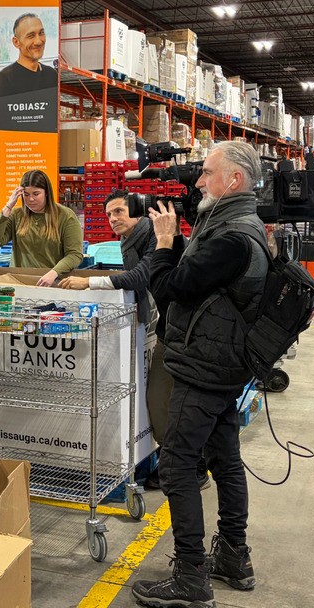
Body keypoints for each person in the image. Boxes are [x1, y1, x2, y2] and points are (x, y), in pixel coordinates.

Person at [133, 140, 268, 607]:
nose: (199, 181)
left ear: (233, 180)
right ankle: (233, 555)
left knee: (176, 465)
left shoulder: (232, 239)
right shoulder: (237, 222)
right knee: (225, 459)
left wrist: (166, 244)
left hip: (204, 367)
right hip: (224, 362)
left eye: (208, 173)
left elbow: (171, 289)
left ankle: (191, 576)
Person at [58, 190, 208, 492]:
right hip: (167, 326)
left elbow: (143, 275)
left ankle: (193, 470)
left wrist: (91, 282)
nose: (113, 219)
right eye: (108, 214)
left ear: (137, 212)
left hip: (185, 330)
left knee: (167, 399)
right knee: (164, 400)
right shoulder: (131, 239)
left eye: (118, 212)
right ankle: (181, 465)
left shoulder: (153, 234)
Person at [0, 169, 84, 287]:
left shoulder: (65, 216)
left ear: (46, 192)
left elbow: (75, 254)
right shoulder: (16, 215)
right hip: (19, 283)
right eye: (26, 195)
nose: (31, 199)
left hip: (52, 283)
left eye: (36, 194)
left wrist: (54, 273)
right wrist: (8, 207)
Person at [0, 13, 58, 96]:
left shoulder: (51, 74)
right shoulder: (6, 78)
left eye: (41, 33)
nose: (38, 41)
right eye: (31, 36)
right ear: (16, 42)